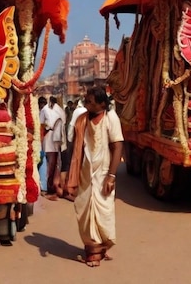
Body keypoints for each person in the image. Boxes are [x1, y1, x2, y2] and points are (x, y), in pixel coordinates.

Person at [67, 86, 123, 267]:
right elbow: (76, 149)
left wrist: (111, 176)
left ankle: (97, 251)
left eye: (90, 102)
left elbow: (117, 147)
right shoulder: (82, 119)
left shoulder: (111, 118)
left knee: (103, 211)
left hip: (103, 172)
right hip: (85, 173)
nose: (86, 104)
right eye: (86, 100)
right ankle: (94, 247)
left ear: (101, 103)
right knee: (84, 209)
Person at [62, 99, 87, 200]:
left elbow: (71, 126)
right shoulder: (88, 112)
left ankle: (72, 187)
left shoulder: (78, 111)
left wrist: (70, 140)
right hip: (87, 143)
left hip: (78, 141)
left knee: (74, 163)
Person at [39, 96, 64, 200]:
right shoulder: (59, 110)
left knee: (49, 163)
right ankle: (52, 186)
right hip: (58, 137)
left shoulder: (44, 110)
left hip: (49, 137)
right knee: (55, 163)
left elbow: (41, 124)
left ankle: (48, 187)